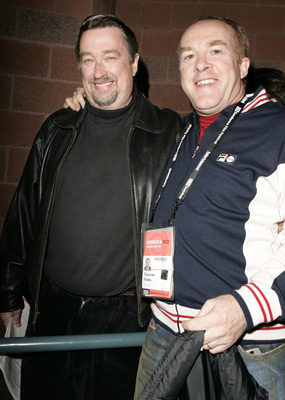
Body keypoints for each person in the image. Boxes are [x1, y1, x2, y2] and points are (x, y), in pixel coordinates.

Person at [0, 14, 183, 400]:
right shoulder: (57, 129)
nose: (98, 71)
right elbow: (24, 213)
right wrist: (8, 293)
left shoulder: (170, 133)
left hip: (126, 319)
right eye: (87, 59)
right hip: (52, 311)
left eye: (110, 57)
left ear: (134, 63)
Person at [134, 16, 285, 399]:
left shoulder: (278, 129)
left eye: (216, 51)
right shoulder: (181, 130)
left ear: (243, 65)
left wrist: (246, 308)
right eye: (188, 56)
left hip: (248, 345)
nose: (200, 64)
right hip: (164, 333)